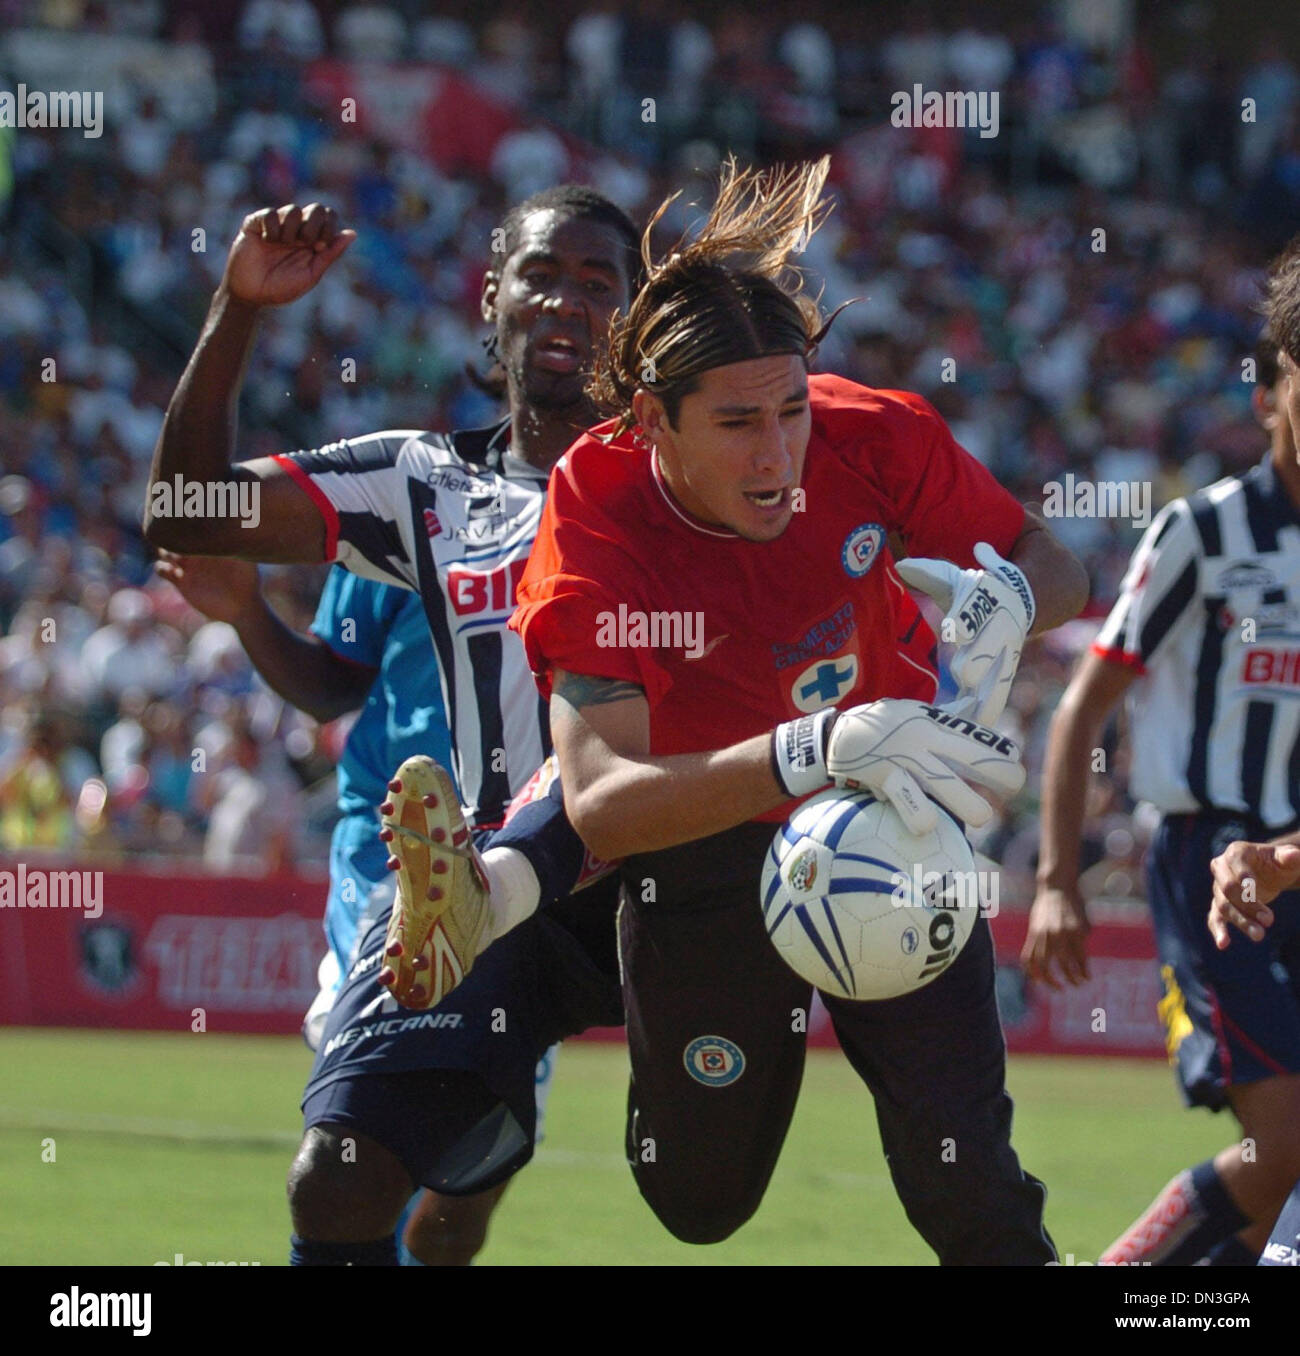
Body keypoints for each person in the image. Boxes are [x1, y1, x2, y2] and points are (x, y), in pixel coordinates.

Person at [508, 157, 1088, 1260]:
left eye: (789, 409)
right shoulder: (596, 506)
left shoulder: (869, 431)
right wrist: (809, 748)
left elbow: (1050, 559)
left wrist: (1007, 601)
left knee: (969, 1188)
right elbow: (604, 806)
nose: (778, 454)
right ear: (651, 420)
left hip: (895, 821)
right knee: (698, 1204)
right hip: (702, 847)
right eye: (736, 422)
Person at [143, 185, 638, 1264]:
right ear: (490, 302)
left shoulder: (684, 482)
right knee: (356, 1183)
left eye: (600, 284)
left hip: (656, 885)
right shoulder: (418, 487)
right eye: (542, 275)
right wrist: (238, 309)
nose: (566, 302)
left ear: (639, 324)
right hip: (444, 872)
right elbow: (188, 510)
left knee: (656, 1182)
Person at [1026, 309, 1300, 1265]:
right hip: (1211, 865)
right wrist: (1059, 880)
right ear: (1271, 395)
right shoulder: (1203, 531)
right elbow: (1082, 707)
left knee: (1280, 1192)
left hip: (1298, 863)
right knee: (1283, 1149)